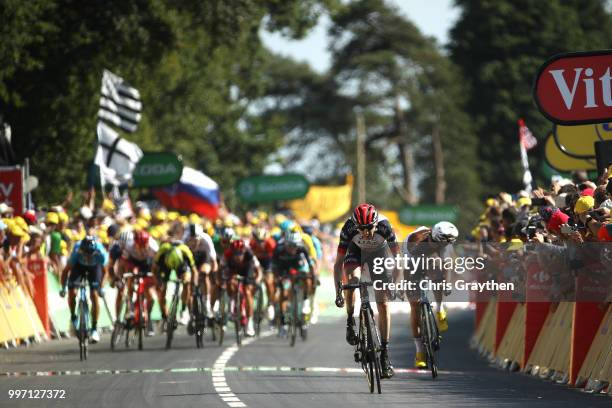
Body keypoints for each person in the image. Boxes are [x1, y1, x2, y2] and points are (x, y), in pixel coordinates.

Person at [334, 203, 399, 379]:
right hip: (356, 253)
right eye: (361, 229)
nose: (365, 233)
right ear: (355, 225)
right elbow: (338, 263)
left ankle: (384, 354)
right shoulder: (348, 228)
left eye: (369, 228)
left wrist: (393, 283)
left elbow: (398, 259)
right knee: (352, 281)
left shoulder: (385, 227)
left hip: (380, 254)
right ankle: (350, 320)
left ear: (376, 224)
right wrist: (338, 291)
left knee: (383, 303)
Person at [404, 221, 458, 368]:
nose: (445, 246)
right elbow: (405, 268)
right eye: (442, 244)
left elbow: (447, 267)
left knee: (437, 269)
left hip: (431, 259)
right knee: (414, 306)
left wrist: (446, 284)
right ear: (435, 238)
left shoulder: (444, 243)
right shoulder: (415, 241)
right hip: (412, 261)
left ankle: (439, 309)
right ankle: (419, 351)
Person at [59, 236, 108, 343]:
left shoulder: (101, 253)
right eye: (85, 254)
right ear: (82, 251)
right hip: (78, 266)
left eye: (90, 255)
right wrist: (63, 288)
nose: (88, 257)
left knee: (94, 294)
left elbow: (105, 271)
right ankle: (73, 317)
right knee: (72, 292)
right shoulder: (76, 252)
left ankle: (94, 328)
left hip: (95, 268)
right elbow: (65, 271)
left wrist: (102, 287)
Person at [271, 231, 315, 336]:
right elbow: (274, 267)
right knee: (284, 293)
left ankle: (305, 301)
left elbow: (310, 265)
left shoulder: (302, 249)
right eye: (290, 246)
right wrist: (277, 278)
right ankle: (283, 323)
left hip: (298, 267)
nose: (292, 249)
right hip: (284, 269)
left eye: (295, 246)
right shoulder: (279, 250)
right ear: (285, 244)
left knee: (307, 280)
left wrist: (312, 276)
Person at [119, 230, 158, 336]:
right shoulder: (129, 246)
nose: (141, 248)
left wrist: (156, 277)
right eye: (138, 246)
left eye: (143, 246)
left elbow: (156, 265)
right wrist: (122, 277)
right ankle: (131, 306)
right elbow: (123, 263)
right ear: (134, 243)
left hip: (147, 264)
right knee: (131, 276)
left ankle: (148, 318)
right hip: (133, 263)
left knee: (151, 297)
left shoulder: (153, 247)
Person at [222, 239, 261, 337]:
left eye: (240, 253)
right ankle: (233, 302)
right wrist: (221, 280)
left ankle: (250, 323)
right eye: (235, 253)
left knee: (247, 292)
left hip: (247, 270)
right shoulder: (227, 254)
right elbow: (220, 269)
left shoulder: (250, 255)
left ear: (244, 251)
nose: (238, 256)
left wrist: (257, 280)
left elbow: (258, 270)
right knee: (230, 283)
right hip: (233, 270)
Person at [153, 241, 196, 327]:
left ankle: (183, 310)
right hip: (165, 266)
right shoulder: (162, 252)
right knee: (161, 288)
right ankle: (164, 315)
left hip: (181, 265)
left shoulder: (186, 252)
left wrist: (193, 284)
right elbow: (154, 268)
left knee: (186, 283)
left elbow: (194, 270)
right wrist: (158, 280)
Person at [184, 223, 218, 322]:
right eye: (191, 240)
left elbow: (213, 259)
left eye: (196, 240)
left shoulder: (206, 239)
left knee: (205, 274)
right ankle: (186, 309)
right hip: (190, 258)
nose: (194, 242)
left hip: (203, 257)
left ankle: (206, 302)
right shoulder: (185, 239)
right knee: (187, 280)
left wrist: (214, 271)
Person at [249, 227, 277, 320]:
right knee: (252, 279)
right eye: (258, 241)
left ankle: (270, 304)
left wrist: (270, 271)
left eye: (262, 241)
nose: (260, 243)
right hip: (257, 260)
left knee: (269, 282)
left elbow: (274, 258)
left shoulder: (270, 243)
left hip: (268, 261)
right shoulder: (252, 243)